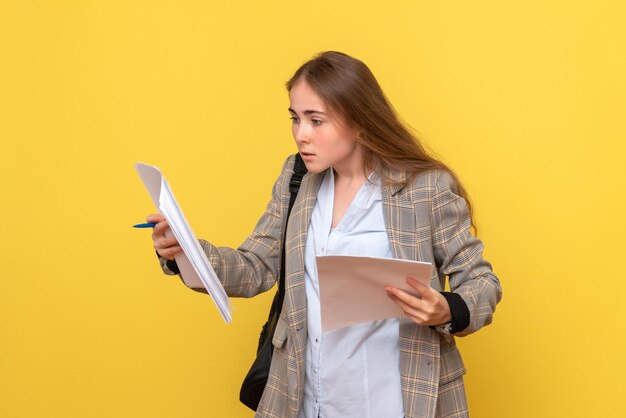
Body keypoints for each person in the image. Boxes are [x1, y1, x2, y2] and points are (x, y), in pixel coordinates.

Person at [147, 51, 502, 418]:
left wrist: (446, 308)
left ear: (360, 121)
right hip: (306, 400)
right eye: (296, 118)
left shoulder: (425, 188)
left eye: (316, 120)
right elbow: (256, 266)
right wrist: (183, 250)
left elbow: (480, 281)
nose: (302, 134)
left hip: (394, 402)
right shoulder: (296, 178)